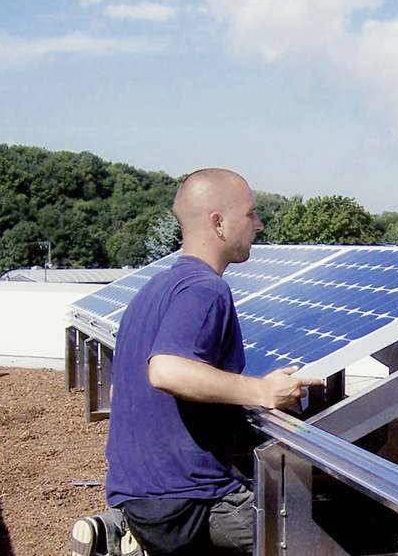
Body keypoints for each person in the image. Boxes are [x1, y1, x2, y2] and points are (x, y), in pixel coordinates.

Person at [71, 168, 322, 556]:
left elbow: (123, 387)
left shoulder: (152, 290)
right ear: (218, 224)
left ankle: (120, 533)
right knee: (308, 542)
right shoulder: (207, 290)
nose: (258, 225)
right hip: (189, 502)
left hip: (136, 495)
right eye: (250, 214)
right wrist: (261, 391)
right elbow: (166, 369)